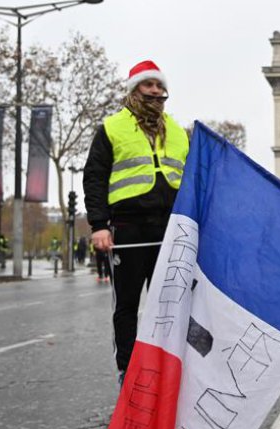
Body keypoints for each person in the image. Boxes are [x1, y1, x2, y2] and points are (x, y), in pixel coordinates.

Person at [83, 60, 189, 386]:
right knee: (127, 305)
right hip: (128, 228)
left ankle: (168, 366)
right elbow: (95, 177)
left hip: (169, 229)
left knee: (170, 304)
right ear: (134, 89)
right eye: (149, 85)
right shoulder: (112, 127)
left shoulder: (178, 131)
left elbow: (191, 178)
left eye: (159, 85)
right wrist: (99, 225)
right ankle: (127, 372)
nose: (156, 91)